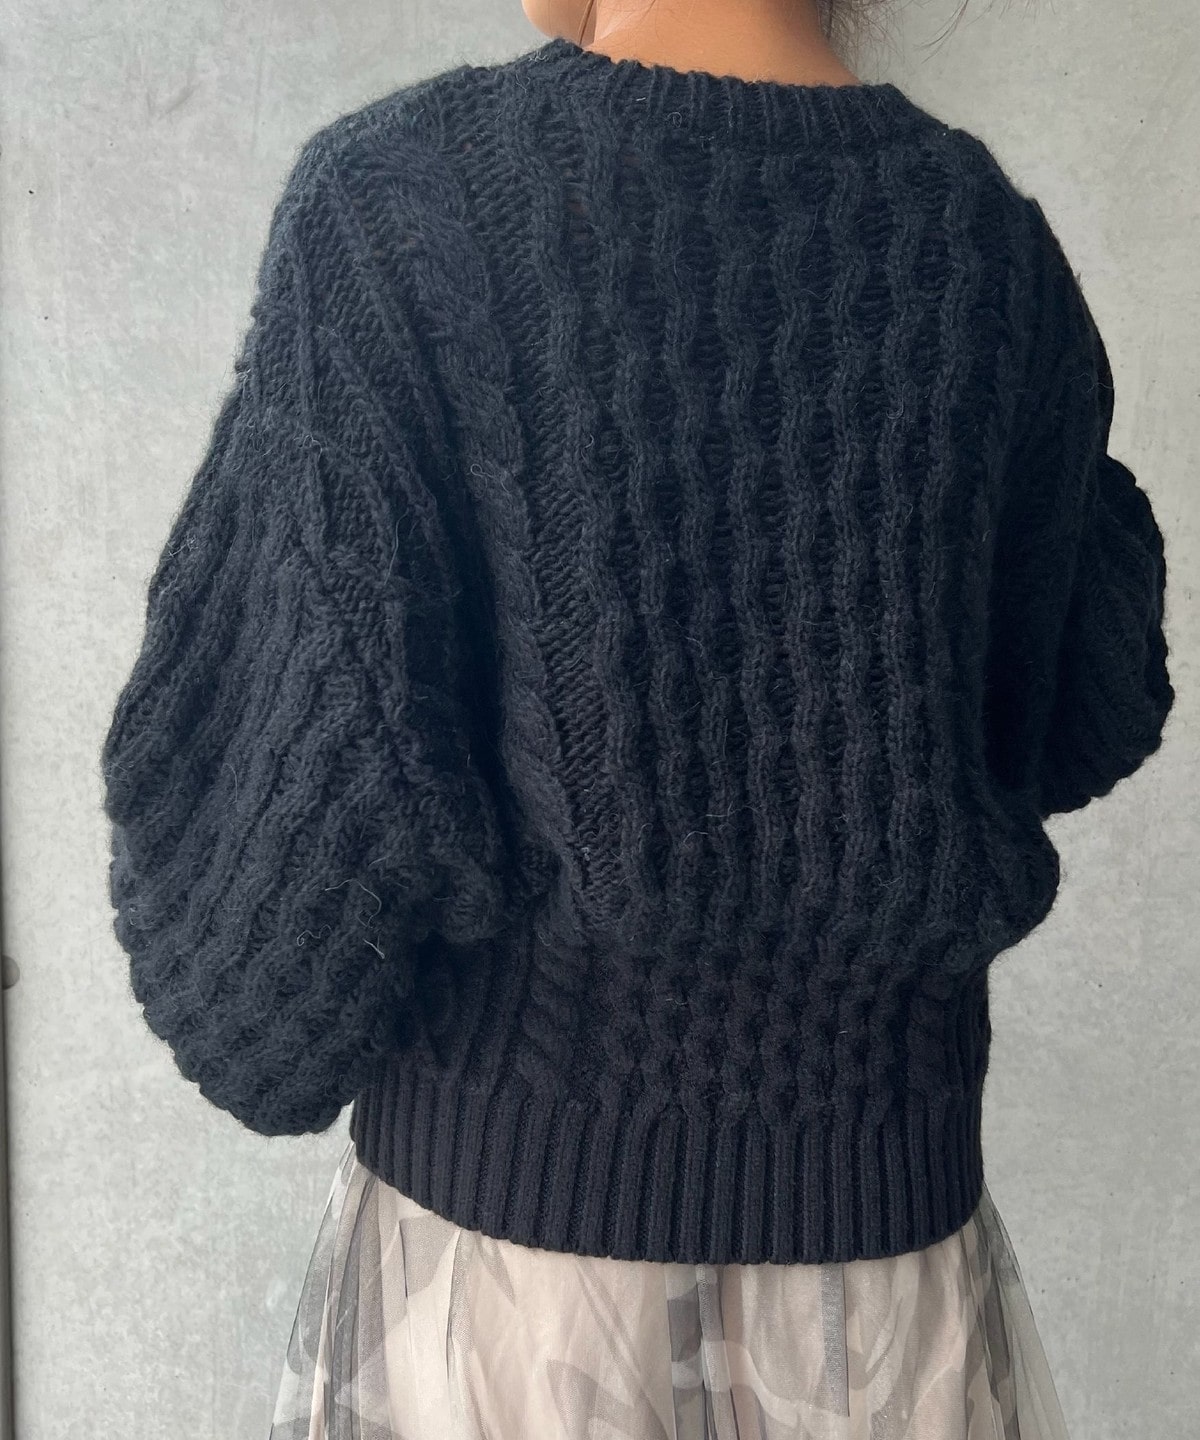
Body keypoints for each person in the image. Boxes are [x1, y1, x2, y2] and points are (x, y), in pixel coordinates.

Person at [98, 0, 1175, 1436]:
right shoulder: (993, 253)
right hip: (888, 1294)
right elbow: (1088, 700)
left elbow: (262, 953)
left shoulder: (397, 207)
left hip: (507, 1293)